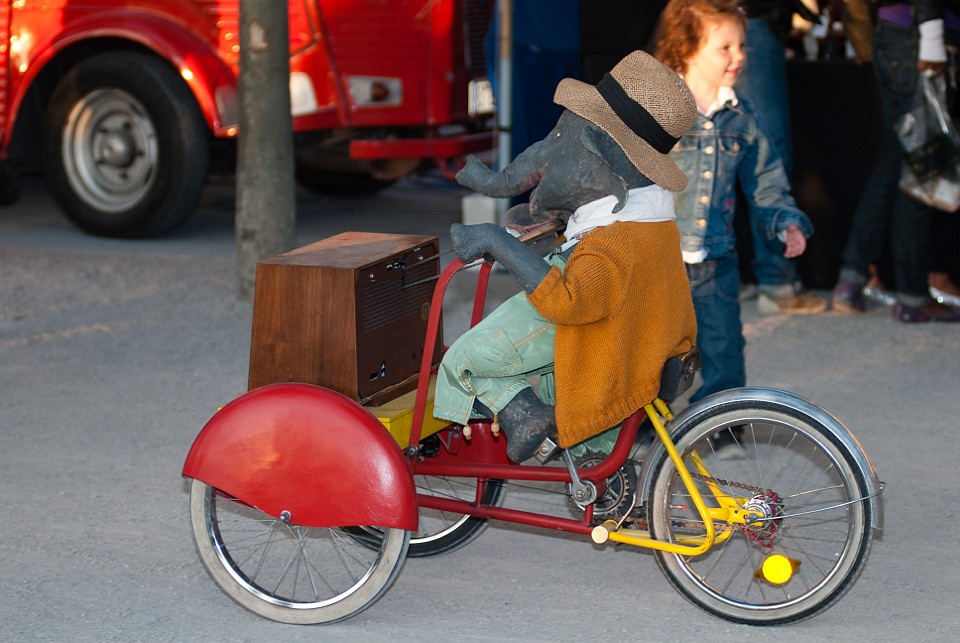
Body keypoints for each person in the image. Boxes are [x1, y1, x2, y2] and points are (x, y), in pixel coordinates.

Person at [432, 51, 698, 463]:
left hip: (599, 340)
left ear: (605, 152)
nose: (556, 145)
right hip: (630, 343)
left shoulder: (615, 241)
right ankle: (590, 460)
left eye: (567, 135)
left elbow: (567, 300)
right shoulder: (651, 223)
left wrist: (495, 240)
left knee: (465, 360)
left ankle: (526, 415)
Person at [653, 0, 816, 434]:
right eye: (725, 47)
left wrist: (785, 219)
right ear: (687, 49)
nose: (738, 56)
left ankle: (718, 426)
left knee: (725, 354)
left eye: (741, 46)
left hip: (715, 260)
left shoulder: (742, 116)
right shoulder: (659, 107)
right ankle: (644, 431)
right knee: (652, 356)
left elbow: (765, 179)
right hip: (658, 260)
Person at [832, 0, 960, 321]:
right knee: (919, 166)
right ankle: (912, 297)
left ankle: (852, 277)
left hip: (899, 33)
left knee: (896, 161)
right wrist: (932, 35)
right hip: (921, 37)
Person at [736, 0, 828, 314]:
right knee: (766, 151)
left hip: (718, 16)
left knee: (720, 145)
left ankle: (716, 275)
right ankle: (776, 282)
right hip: (749, 17)